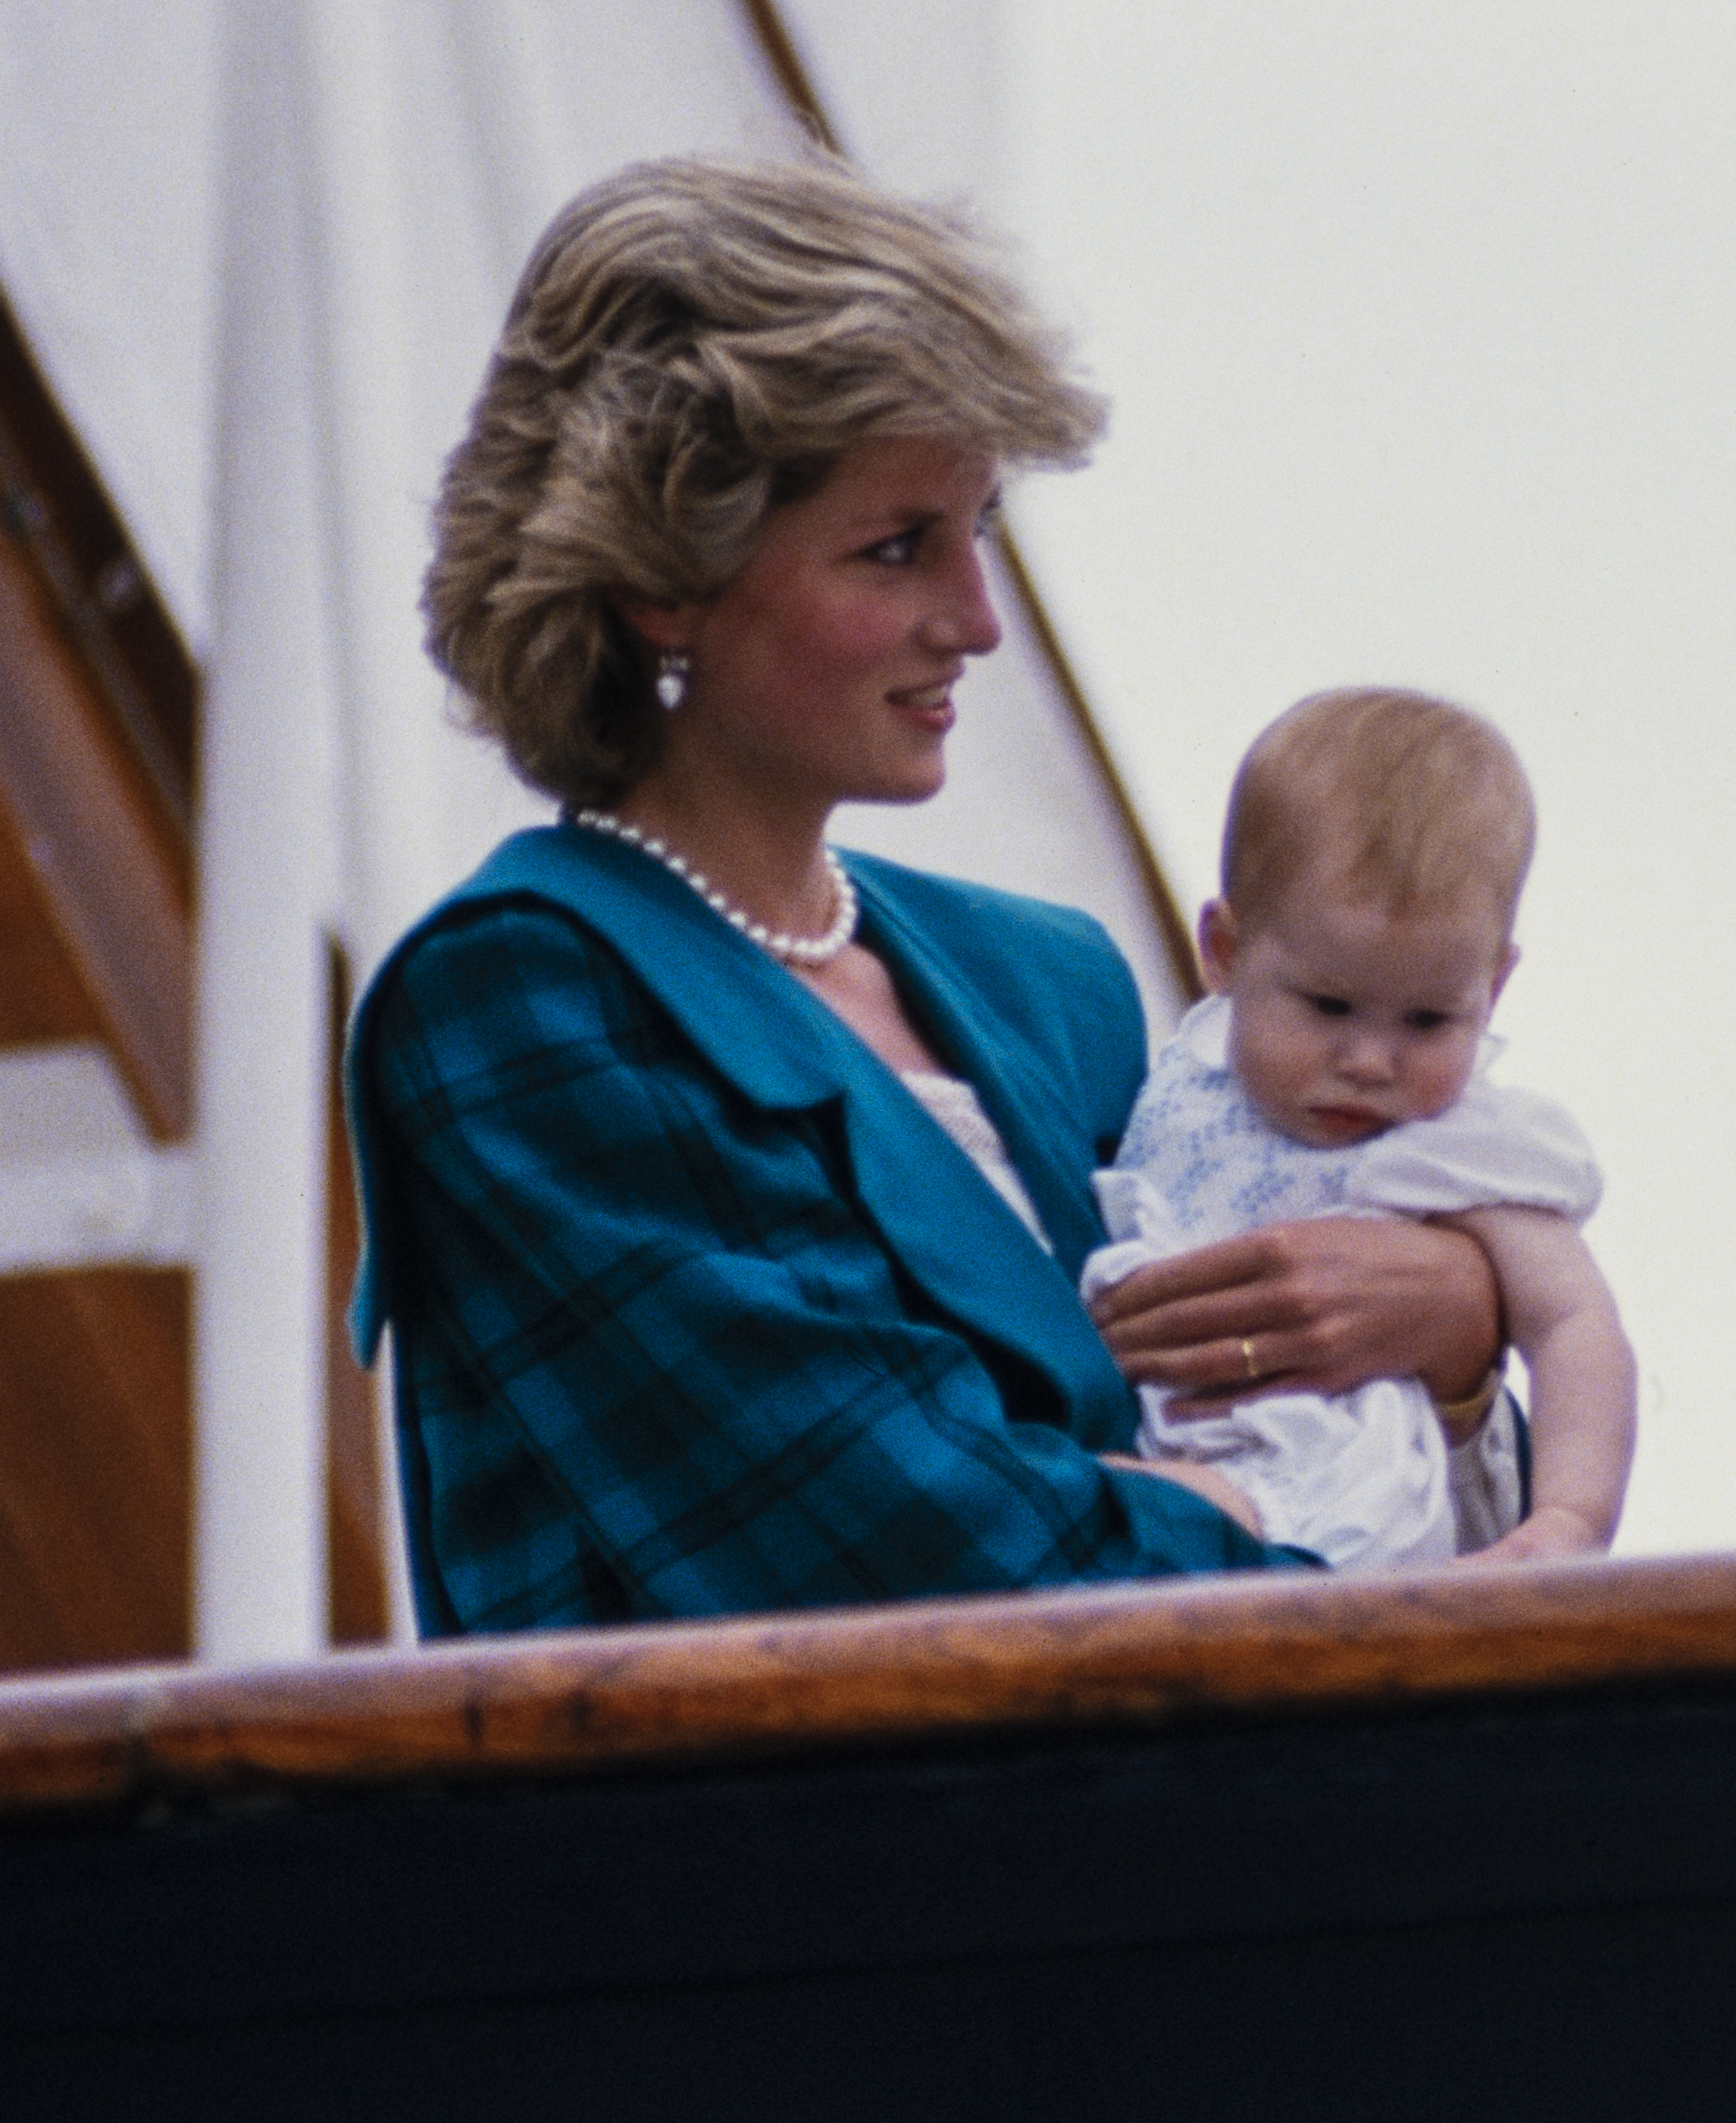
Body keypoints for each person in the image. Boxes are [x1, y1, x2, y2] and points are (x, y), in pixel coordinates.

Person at [346, 153, 1512, 1631]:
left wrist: (1458, 1329)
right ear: (662, 573)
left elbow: (1470, 1537)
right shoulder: (523, 1000)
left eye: (981, 534)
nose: (974, 621)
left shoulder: (1055, 987)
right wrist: (1304, 1531)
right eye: (897, 546)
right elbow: (911, 1570)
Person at [1087, 688, 1634, 1567]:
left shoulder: (1461, 1143)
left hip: (1346, 1485)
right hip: (1167, 1424)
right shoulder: (1180, 1080)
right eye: (1328, 1004)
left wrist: (1568, 1520)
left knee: (1118, 1511)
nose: (1372, 1061)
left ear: (1490, 989)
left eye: (1427, 1020)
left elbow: (1575, 1323)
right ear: (1223, 952)